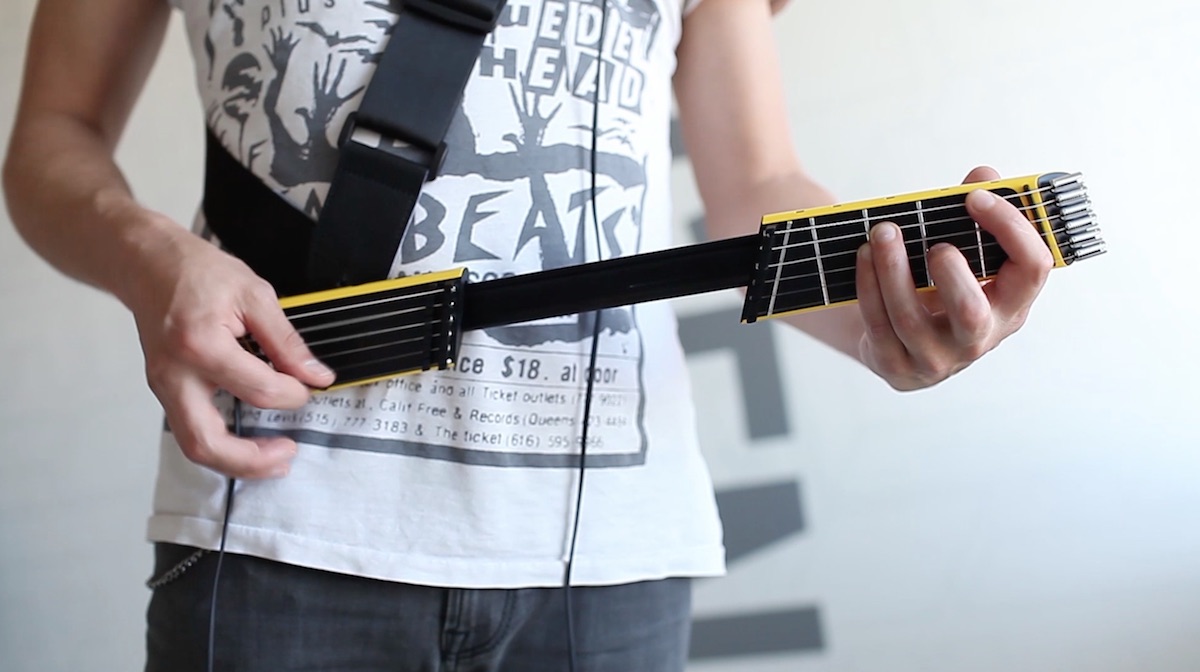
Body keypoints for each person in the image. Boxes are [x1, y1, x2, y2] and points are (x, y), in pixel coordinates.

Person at [3, 0, 1053, 669]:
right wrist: (149, 258)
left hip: (606, 569)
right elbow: (54, 132)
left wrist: (888, 317)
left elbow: (755, 185)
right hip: (277, 540)